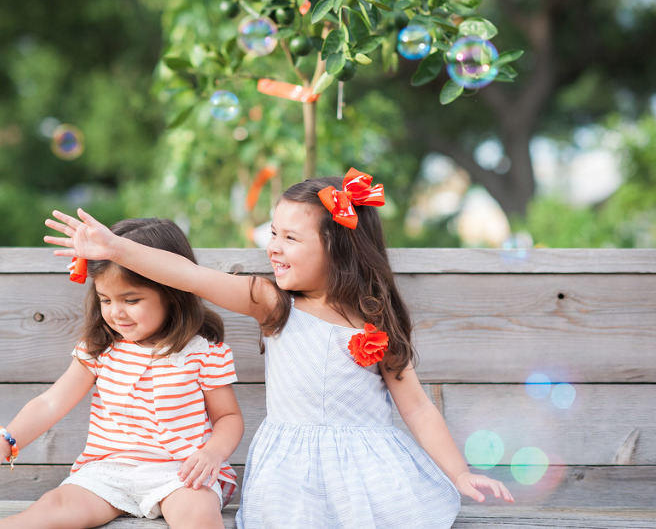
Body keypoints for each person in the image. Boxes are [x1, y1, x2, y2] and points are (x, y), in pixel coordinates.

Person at [44, 168, 514, 529]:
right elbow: (189, 276)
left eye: (291, 237)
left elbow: (417, 410)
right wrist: (116, 249)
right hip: (295, 475)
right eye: (273, 233)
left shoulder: (376, 319)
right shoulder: (273, 303)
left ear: (340, 248)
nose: (274, 247)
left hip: (370, 469)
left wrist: (458, 474)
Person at [0, 218, 243, 529]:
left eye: (131, 300)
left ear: (173, 293)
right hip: (109, 473)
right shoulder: (100, 349)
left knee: (198, 516)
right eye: (106, 300)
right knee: (52, 508)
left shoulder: (202, 352)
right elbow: (50, 403)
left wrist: (212, 454)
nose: (116, 313)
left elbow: (228, 416)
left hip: (181, 474)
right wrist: (2, 445)